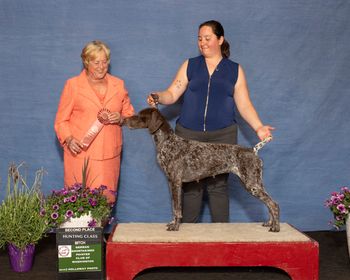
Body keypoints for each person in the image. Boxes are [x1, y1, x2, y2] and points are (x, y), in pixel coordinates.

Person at [147, 20, 274, 223]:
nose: (202, 42)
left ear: (220, 39)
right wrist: (158, 96)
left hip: (222, 134)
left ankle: (221, 240)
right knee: (191, 190)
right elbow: (172, 93)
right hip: (188, 135)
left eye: (207, 38)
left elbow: (244, 104)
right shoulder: (190, 65)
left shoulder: (235, 70)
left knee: (219, 188)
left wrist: (258, 127)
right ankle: (189, 238)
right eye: (199, 38)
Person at [55, 40, 134, 203]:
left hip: (109, 154)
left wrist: (121, 118)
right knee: (78, 204)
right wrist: (69, 139)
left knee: (105, 202)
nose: (101, 66)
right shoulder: (73, 85)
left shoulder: (118, 85)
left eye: (104, 62)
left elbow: (129, 114)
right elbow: (61, 120)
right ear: (86, 62)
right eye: (96, 62)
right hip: (81, 153)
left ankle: (102, 229)